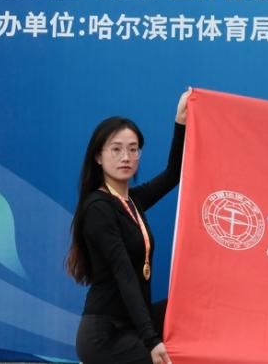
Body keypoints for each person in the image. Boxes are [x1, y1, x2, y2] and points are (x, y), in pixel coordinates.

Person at [66, 89, 189, 364]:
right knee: (170, 358)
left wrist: (180, 121)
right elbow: (124, 274)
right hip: (105, 335)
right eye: (116, 149)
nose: (126, 157)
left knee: (188, 312)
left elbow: (173, 174)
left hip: (132, 324)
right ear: (98, 157)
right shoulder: (98, 208)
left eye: (133, 149)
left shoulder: (132, 201)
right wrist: (152, 340)